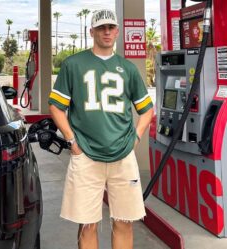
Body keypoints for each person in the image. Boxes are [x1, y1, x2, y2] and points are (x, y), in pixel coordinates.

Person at [48, 9, 154, 249]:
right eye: (101, 28)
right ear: (91, 31)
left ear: (117, 32)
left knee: (125, 221)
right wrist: (72, 142)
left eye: (111, 28)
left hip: (122, 155)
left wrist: (135, 138)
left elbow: (147, 110)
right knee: (87, 223)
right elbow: (56, 106)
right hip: (85, 154)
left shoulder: (127, 68)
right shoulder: (73, 64)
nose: (107, 32)